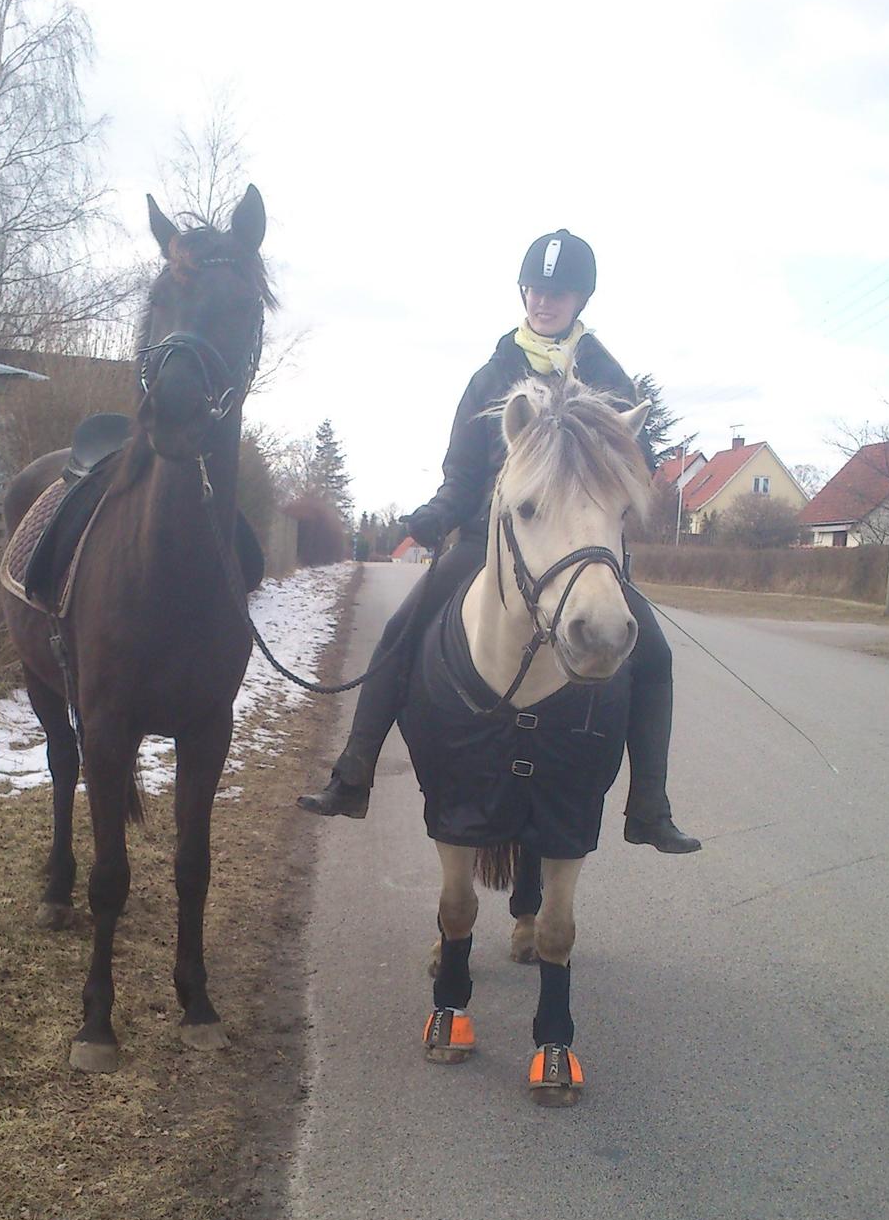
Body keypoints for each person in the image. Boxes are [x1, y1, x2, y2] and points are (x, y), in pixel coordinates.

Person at [298, 229, 700, 855]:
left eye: (558, 293)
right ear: (523, 292)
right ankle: (354, 772)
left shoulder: (607, 376)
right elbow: (461, 473)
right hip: (495, 540)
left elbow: (626, 470)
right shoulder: (490, 376)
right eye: (536, 291)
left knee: (653, 652)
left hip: (577, 548)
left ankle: (649, 803)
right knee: (404, 628)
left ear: (580, 299)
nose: (544, 303)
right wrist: (435, 514)